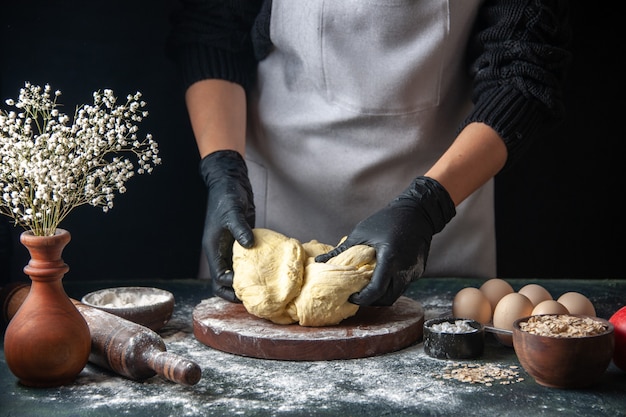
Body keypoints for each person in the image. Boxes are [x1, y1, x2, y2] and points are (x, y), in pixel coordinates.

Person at [167, 0, 571, 306]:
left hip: (443, 210)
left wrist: (429, 205)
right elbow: (211, 28)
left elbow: (525, 65)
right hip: (273, 208)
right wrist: (223, 169)